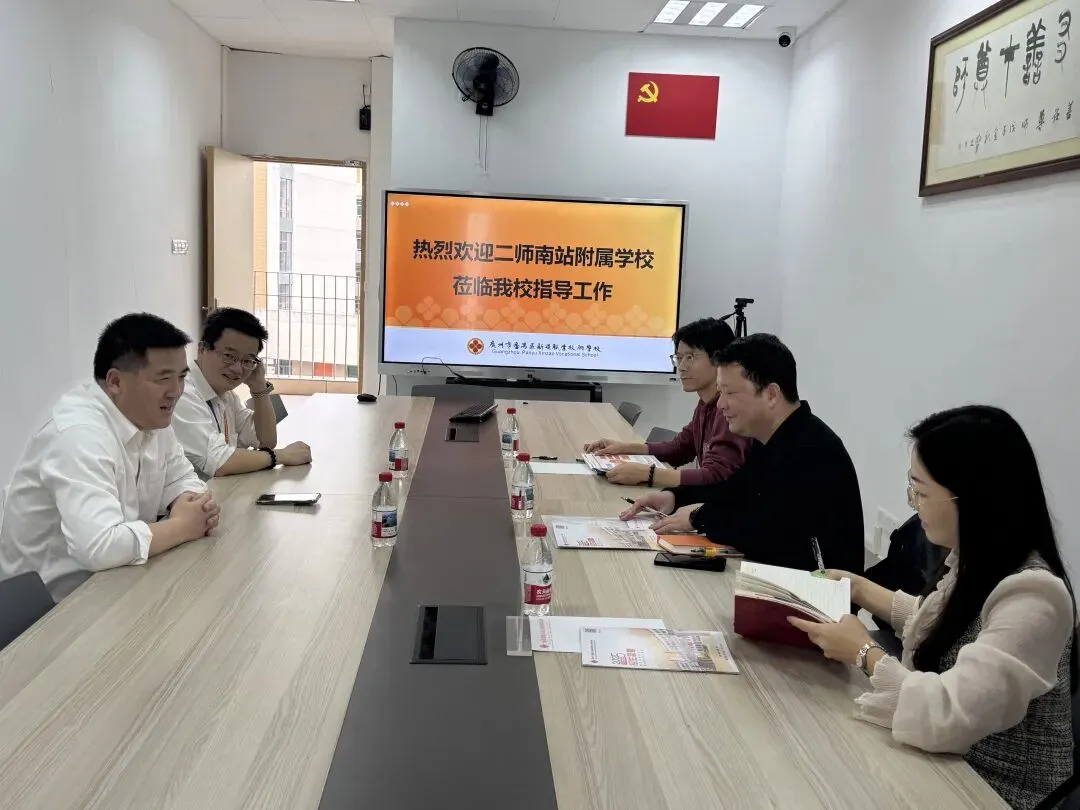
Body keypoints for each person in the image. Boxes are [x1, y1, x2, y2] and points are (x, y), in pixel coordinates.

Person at [789, 406, 1076, 810]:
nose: (913, 505)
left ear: (973, 498)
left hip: (993, 790)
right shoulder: (981, 556)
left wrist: (864, 651)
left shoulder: (1036, 597)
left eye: (921, 492)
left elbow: (949, 715)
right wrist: (859, 587)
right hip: (947, 765)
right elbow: (945, 623)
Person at [0, 313, 220, 600]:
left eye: (181, 377)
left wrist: (186, 503)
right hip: (55, 606)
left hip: (119, 581)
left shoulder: (151, 418)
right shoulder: (79, 434)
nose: (176, 392)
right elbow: (99, 547)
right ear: (115, 381)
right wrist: (181, 526)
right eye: (163, 379)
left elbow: (183, 478)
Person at [622, 333, 864, 574]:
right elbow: (735, 489)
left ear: (771, 394)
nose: (720, 404)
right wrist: (675, 497)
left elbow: (765, 530)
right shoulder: (772, 436)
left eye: (730, 393)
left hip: (810, 591)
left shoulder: (812, 451)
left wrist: (698, 516)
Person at [584, 318, 750, 487]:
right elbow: (679, 449)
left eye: (690, 357)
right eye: (679, 358)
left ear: (718, 358)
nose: (682, 367)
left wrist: (649, 474)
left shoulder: (730, 410)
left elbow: (718, 477)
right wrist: (624, 448)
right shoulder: (705, 404)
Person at [172, 308, 311, 477]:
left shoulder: (227, 395)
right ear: (202, 349)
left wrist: (259, 388)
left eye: (247, 360)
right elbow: (219, 462)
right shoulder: (180, 393)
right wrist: (282, 456)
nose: (237, 369)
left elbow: (265, 441)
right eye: (229, 356)